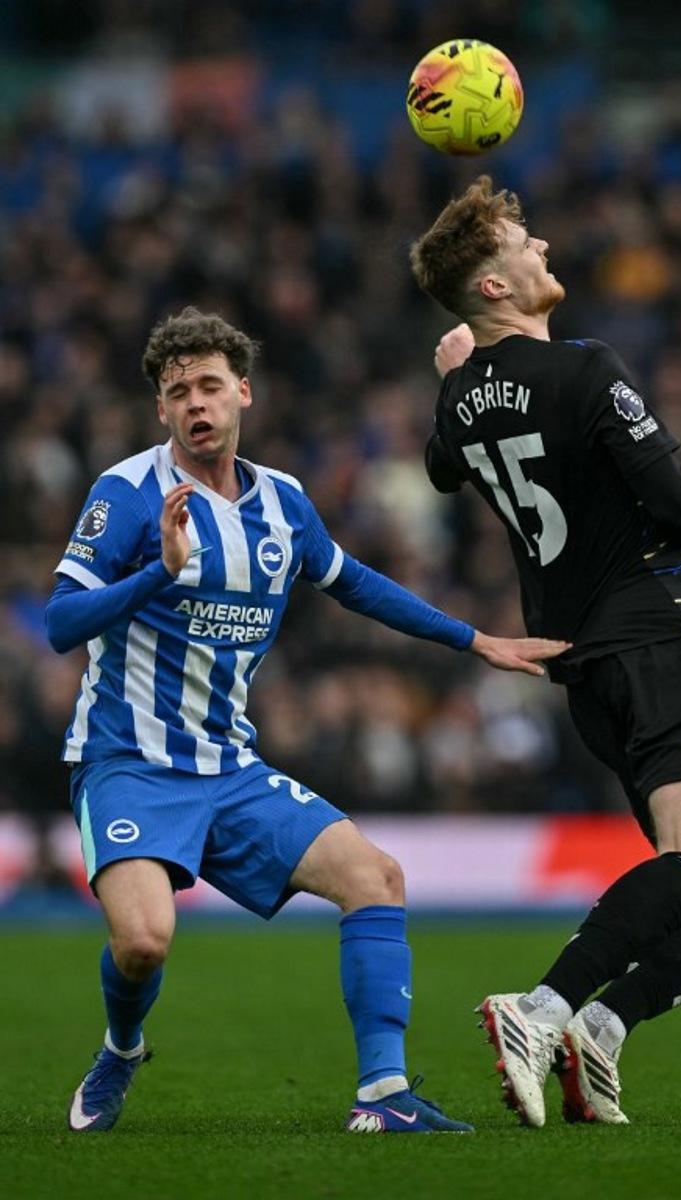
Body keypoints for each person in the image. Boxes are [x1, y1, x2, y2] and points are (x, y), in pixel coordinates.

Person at [47, 306, 569, 1135]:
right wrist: (159, 573)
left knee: (377, 878)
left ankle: (384, 1095)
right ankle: (121, 1047)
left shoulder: (284, 503)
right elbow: (60, 624)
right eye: (177, 391)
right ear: (161, 409)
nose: (195, 403)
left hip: (230, 765)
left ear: (244, 392)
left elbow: (355, 582)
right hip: (129, 762)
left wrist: (476, 641)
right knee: (144, 942)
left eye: (210, 385)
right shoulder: (128, 491)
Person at [410, 177, 681, 1127]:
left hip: (584, 668)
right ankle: (541, 1008)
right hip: (658, 635)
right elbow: (673, 493)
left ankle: (599, 1030)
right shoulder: (584, 366)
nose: (544, 249)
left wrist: (455, 374)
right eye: (524, 241)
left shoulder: (458, 404)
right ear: (493, 286)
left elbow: (444, 468)